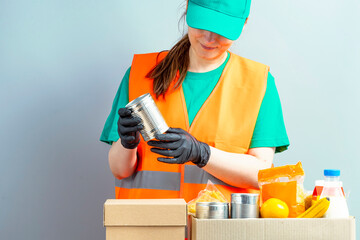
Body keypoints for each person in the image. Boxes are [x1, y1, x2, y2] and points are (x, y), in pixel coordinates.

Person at [100, 0, 289, 202]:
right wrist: (127, 143)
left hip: (218, 230)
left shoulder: (258, 83)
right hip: (150, 227)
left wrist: (202, 153)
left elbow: (260, 174)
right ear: (188, 8)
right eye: (203, 24)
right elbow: (120, 170)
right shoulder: (141, 73)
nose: (209, 38)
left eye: (222, 30)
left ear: (243, 23)